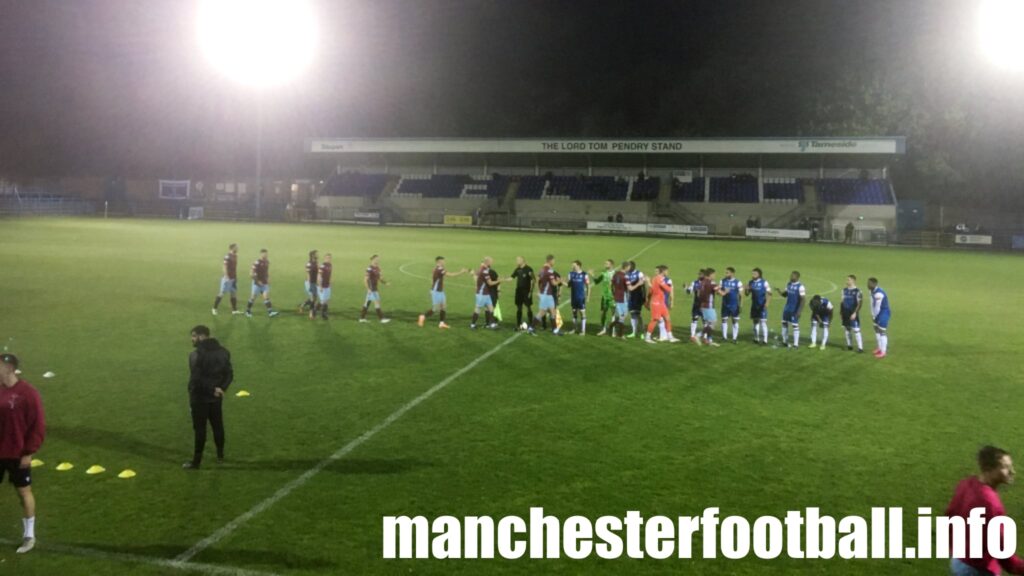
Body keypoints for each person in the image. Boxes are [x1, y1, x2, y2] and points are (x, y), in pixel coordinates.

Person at [945, 446, 1024, 575]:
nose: (1012, 471)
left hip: (958, 560)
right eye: (1005, 467)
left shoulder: (966, 484)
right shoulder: (989, 503)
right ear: (988, 469)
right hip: (977, 569)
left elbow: (950, 516)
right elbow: (1000, 549)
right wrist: (1019, 567)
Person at [0, 353, 45, 554]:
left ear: (9, 368)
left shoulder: (28, 393)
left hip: (18, 453)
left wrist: (29, 452)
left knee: (23, 492)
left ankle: (29, 535)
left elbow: (37, 425)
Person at [184, 326, 233, 470]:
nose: (192, 339)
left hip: (199, 398)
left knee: (200, 430)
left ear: (201, 336)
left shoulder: (196, 355)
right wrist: (221, 389)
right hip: (216, 398)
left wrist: (212, 389)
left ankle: (196, 462)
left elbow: (196, 380)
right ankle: (220, 456)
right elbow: (229, 374)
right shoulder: (224, 352)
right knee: (218, 426)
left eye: (194, 336)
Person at [419, 256, 468, 329]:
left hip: (440, 291)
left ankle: (441, 323)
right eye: (443, 261)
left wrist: (431, 289)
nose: (444, 262)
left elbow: (433, 279)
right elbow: (451, 275)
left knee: (443, 307)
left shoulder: (435, 268)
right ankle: (422, 316)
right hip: (436, 292)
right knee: (435, 309)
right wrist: (461, 272)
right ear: (439, 262)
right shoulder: (440, 269)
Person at [644, 265, 680, 343]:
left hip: (661, 302)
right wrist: (671, 287)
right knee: (654, 320)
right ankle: (647, 337)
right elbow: (667, 289)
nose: (667, 272)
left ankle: (670, 337)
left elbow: (651, 290)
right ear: (663, 271)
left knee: (667, 319)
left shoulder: (656, 278)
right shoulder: (658, 279)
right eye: (666, 271)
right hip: (656, 302)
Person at [697, 268, 730, 346]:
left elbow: (701, 294)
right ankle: (697, 335)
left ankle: (708, 340)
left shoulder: (702, 282)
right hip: (709, 306)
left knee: (709, 323)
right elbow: (721, 293)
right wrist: (726, 291)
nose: (715, 276)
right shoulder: (711, 282)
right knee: (713, 323)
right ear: (710, 274)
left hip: (702, 305)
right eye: (714, 274)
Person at [531, 255, 560, 334]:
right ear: (550, 261)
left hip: (544, 294)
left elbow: (537, 280)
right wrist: (559, 281)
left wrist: (538, 291)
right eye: (553, 261)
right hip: (547, 294)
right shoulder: (550, 270)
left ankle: (555, 330)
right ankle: (531, 328)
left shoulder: (542, 269)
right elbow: (553, 283)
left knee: (552, 312)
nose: (554, 262)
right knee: (542, 312)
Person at [776, 270, 806, 348]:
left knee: (795, 325)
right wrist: (779, 291)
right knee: (784, 323)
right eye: (791, 275)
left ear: (797, 277)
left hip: (794, 309)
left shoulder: (800, 286)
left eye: (793, 276)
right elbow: (785, 295)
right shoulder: (788, 284)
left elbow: (803, 300)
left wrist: (799, 311)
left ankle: (796, 344)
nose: (791, 277)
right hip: (787, 308)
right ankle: (784, 341)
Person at [245, 249, 279, 318]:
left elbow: (266, 272)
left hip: (264, 283)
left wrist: (268, 278)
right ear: (261, 254)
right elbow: (251, 273)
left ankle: (270, 312)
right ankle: (247, 311)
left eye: (266, 254)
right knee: (253, 297)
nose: (266, 255)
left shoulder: (267, 262)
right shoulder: (256, 262)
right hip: (256, 284)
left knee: (266, 297)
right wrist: (257, 281)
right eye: (264, 254)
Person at [471, 257, 502, 330]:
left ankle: (492, 324)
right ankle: (472, 324)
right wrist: (499, 280)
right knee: (478, 309)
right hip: (482, 294)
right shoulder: (484, 271)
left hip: (486, 293)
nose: (491, 263)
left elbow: (475, 274)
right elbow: (490, 283)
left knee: (491, 309)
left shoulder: (483, 269)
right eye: (491, 262)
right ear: (487, 262)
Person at [212, 243, 242, 316]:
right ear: (232, 248)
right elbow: (224, 267)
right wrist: (226, 276)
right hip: (227, 278)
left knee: (233, 294)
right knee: (222, 293)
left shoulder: (235, 256)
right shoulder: (227, 256)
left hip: (234, 278)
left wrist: (235, 277)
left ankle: (234, 310)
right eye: (236, 247)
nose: (238, 248)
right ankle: (214, 308)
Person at [359, 255, 390, 323]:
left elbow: (380, 278)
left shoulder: (378, 268)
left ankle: (362, 318)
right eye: (376, 259)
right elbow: (365, 280)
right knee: (377, 302)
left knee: (367, 303)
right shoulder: (369, 269)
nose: (378, 260)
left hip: (375, 288)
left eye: (378, 259)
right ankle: (381, 318)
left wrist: (385, 283)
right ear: (372, 260)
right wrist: (368, 289)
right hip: (371, 289)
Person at [746, 267, 771, 345]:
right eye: (752, 273)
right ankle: (756, 338)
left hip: (762, 305)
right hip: (754, 306)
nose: (753, 275)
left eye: (755, 273)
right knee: (755, 322)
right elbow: (747, 294)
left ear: (759, 274)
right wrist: (746, 289)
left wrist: (767, 303)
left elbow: (769, 293)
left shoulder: (764, 282)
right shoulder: (751, 282)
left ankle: (765, 340)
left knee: (763, 322)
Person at [591, 259, 616, 336]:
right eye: (605, 263)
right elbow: (597, 281)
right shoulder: (604, 273)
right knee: (603, 313)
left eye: (607, 264)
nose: (605, 265)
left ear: (611, 265)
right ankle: (603, 329)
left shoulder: (615, 274)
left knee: (613, 314)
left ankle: (613, 331)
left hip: (613, 297)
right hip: (604, 297)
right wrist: (592, 275)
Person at [840, 275, 865, 353]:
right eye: (847, 280)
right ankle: (849, 345)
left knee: (856, 329)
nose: (847, 281)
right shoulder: (844, 290)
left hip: (853, 312)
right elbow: (842, 301)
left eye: (849, 280)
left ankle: (860, 348)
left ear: (853, 281)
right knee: (847, 329)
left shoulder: (858, 291)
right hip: (845, 312)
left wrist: (855, 313)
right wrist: (841, 312)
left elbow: (860, 303)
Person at [868, 277, 891, 359]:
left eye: (870, 283)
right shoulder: (871, 291)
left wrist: (875, 316)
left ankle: (883, 352)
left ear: (874, 284)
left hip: (883, 313)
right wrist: (872, 314)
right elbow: (871, 303)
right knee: (876, 330)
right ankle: (879, 348)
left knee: (882, 331)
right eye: (868, 283)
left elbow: (877, 307)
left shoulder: (879, 294)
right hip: (876, 313)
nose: (868, 285)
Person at [510, 257, 535, 330]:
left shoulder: (529, 269)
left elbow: (533, 280)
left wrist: (531, 291)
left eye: (518, 260)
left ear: (522, 261)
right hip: (518, 291)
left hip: (526, 291)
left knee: (528, 307)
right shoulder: (517, 269)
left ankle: (531, 324)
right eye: (516, 260)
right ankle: (518, 324)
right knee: (519, 307)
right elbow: (512, 277)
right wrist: (502, 280)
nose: (517, 261)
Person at [719, 267, 743, 344]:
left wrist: (741, 305)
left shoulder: (738, 282)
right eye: (726, 272)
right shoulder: (722, 281)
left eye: (727, 272)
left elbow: (741, 295)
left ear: (732, 273)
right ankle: (724, 337)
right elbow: (717, 292)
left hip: (734, 305)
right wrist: (723, 291)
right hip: (725, 304)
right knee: (724, 320)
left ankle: (734, 338)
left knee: (735, 321)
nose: (726, 274)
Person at [566, 261, 590, 335]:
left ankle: (583, 331)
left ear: (579, 266)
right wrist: (561, 282)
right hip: (573, 297)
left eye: (574, 265)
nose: (572, 266)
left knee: (582, 313)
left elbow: (588, 286)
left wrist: (588, 296)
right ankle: (574, 329)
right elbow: (569, 285)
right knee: (574, 312)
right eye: (572, 265)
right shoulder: (571, 274)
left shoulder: (584, 274)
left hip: (581, 297)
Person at [626, 261, 647, 338]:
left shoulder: (639, 273)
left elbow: (643, 286)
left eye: (628, 266)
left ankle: (642, 332)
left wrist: (644, 297)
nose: (627, 268)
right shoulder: (627, 274)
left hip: (638, 297)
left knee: (637, 314)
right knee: (632, 314)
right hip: (630, 297)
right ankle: (633, 332)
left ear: (632, 266)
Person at [609, 261, 630, 339]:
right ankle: (620, 333)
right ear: (627, 267)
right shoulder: (625, 276)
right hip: (623, 297)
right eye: (629, 267)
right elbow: (629, 288)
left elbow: (611, 284)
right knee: (623, 316)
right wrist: (639, 283)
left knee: (622, 315)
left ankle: (613, 326)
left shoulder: (616, 274)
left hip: (617, 296)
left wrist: (613, 293)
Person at [687, 269, 707, 342]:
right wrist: (687, 288)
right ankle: (692, 336)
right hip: (696, 304)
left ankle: (704, 337)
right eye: (699, 274)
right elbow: (689, 291)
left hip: (704, 305)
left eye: (701, 274)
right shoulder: (694, 283)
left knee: (705, 321)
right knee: (694, 319)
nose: (699, 276)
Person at [314, 253, 333, 320]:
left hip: (327, 286)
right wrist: (320, 286)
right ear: (325, 258)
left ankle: (318, 311)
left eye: (330, 258)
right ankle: (322, 314)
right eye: (327, 258)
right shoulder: (322, 266)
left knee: (327, 300)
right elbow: (319, 276)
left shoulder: (330, 265)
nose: (329, 259)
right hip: (322, 286)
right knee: (323, 301)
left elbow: (330, 274)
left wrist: (330, 282)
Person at [300, 249, 319, 315]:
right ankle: (311, 313)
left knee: (315, 298)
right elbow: (308, 274)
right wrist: (309, 284)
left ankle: (302, 305)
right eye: (316, 254)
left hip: (314, 283)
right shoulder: (309, 264)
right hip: (309, 283)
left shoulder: (316, 262)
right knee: (312, 298)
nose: (318, 255)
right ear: (313, 255)